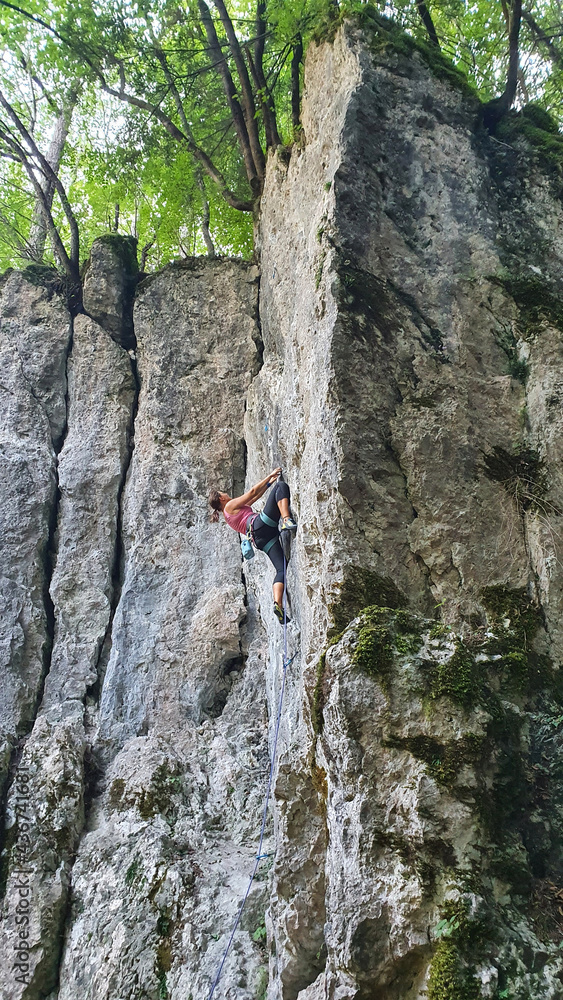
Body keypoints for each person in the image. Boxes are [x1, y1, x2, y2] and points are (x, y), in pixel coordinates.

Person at [209, 469, 297, 624]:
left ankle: (278, 604)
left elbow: (256, 496)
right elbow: (251, 491)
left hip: (261, 540)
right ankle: (286, 519)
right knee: (280, 487)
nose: (226, 494)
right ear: (221, 498)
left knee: (281, 569)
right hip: (260, 525)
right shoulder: (229, 506)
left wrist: (269, 483)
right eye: (223, 493)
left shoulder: (229, 516)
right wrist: (270, 476)